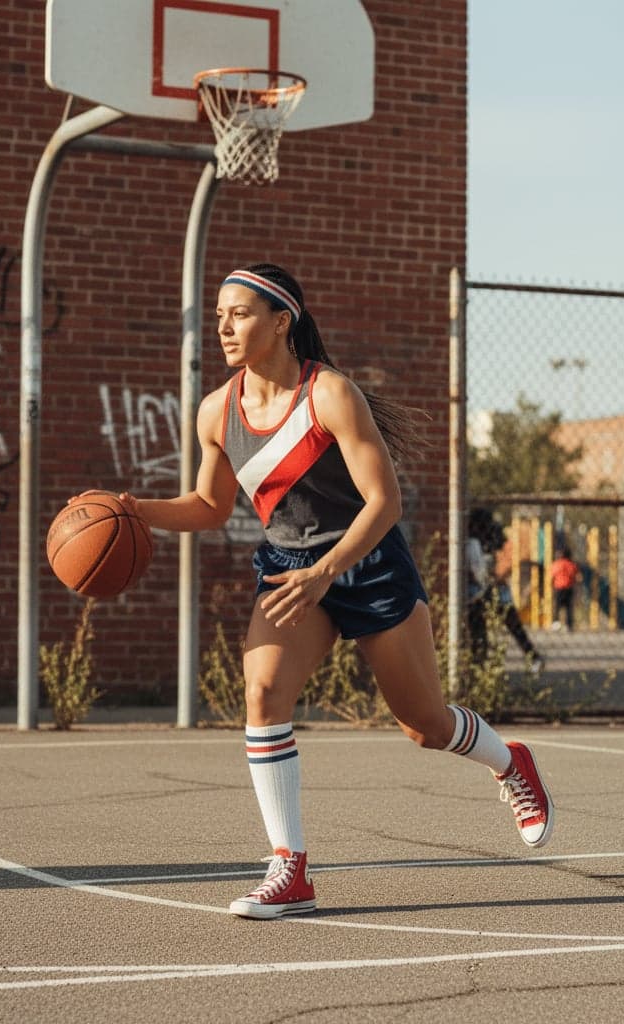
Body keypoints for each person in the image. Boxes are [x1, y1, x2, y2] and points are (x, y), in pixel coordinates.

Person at [73, 264, 554, 919]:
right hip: (288, 570)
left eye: (239, 314)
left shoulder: (330, 395)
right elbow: (212, 506)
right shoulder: (217, 411)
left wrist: (328, 570)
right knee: (263, 691)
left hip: (367, 566)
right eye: (219, 316)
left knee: (425, 724)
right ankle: (289, 868)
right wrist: (132, 510)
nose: (224, 326)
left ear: (281, 321)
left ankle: (510, 762)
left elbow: (384, 503)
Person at [466, 507, 544, 674]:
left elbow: (487, 570)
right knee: (487, 626)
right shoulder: (474, 543)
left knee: (488, 625)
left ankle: (481, 664)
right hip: (482, 591)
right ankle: (531, 656)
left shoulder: (479, 542)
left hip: (486, 589)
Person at [549, 546, 580, 631]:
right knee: (569, 608)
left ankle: (556, 623)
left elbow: (552, 576)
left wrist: (552, 586)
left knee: (557, 606)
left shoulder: (556, 564)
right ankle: (569, 625)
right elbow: (576, 577)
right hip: (569, 588)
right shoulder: (572, 564)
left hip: (559, 588)